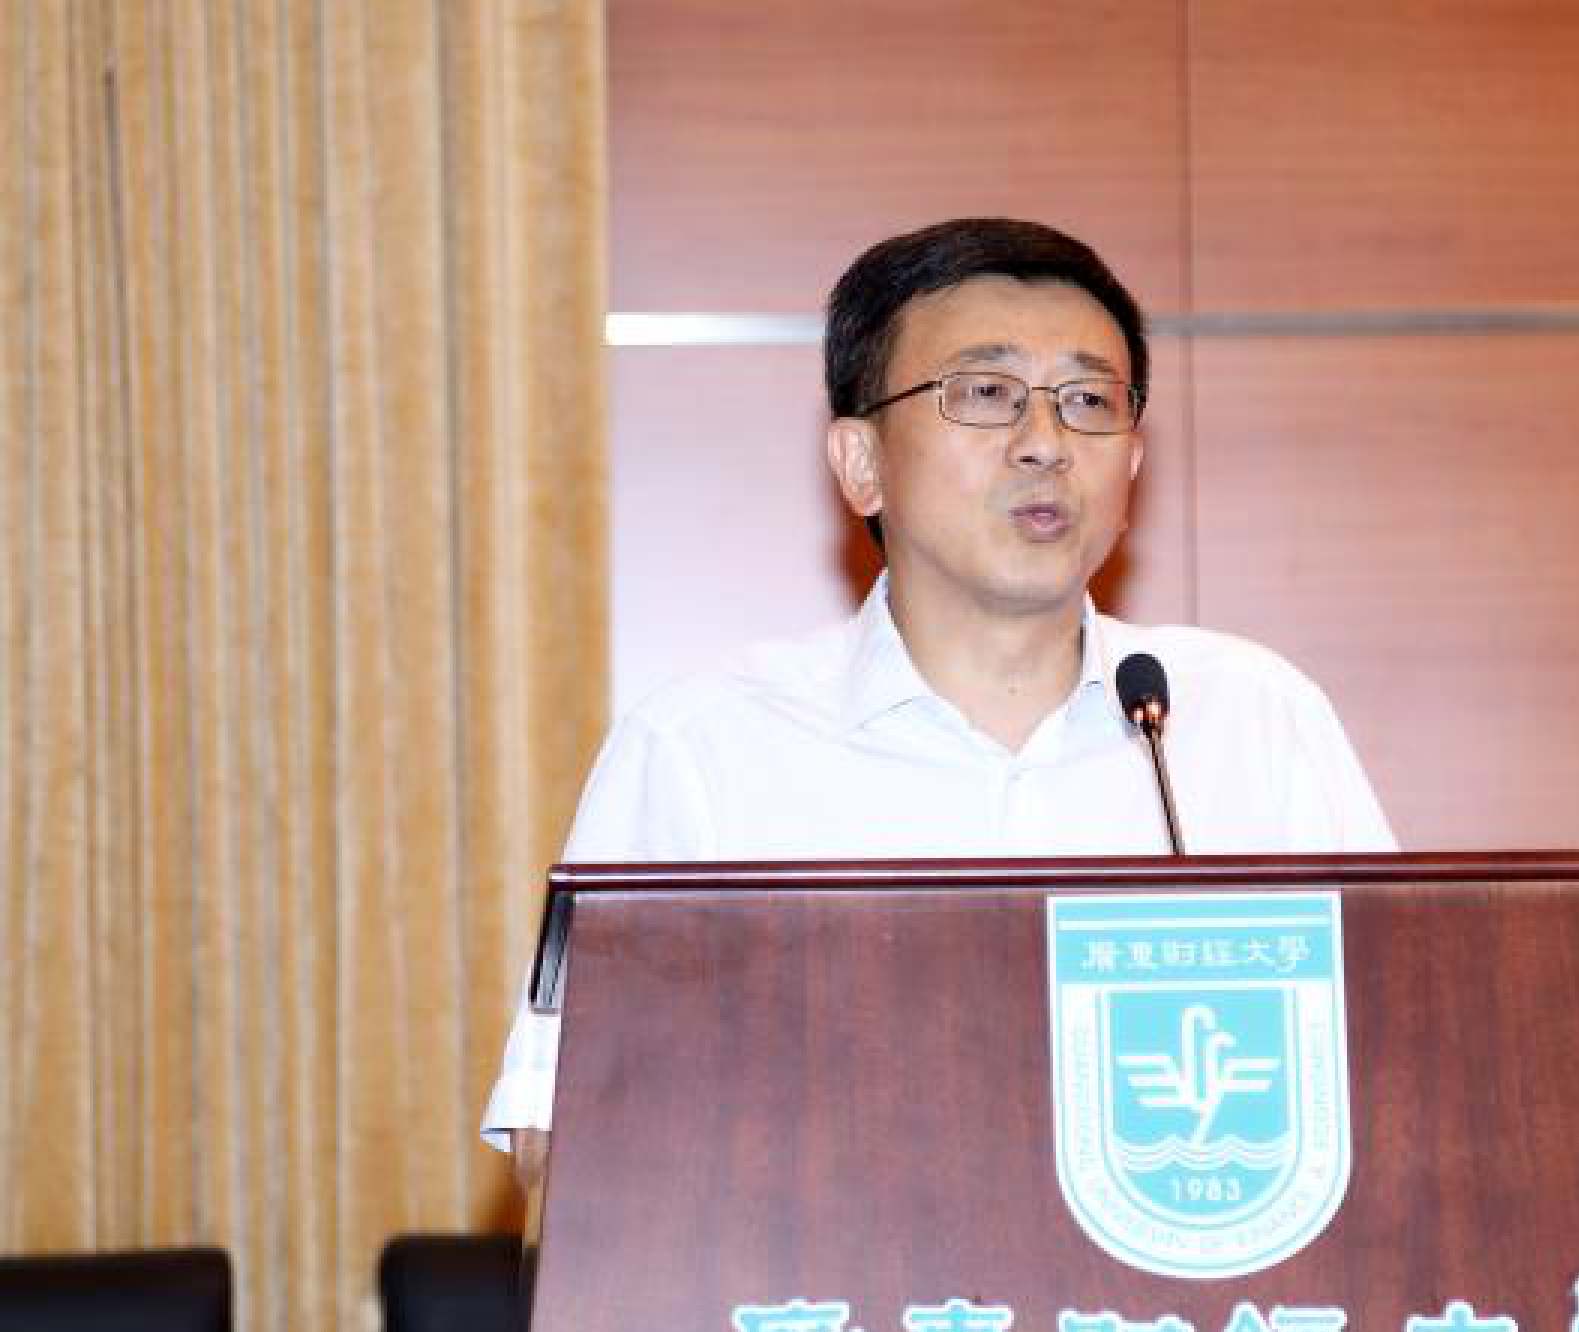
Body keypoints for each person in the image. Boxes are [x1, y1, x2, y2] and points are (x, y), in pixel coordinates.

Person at [482, 218, 1393, 1187]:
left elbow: (1401, 1065)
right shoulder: (705, 750)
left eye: (1088, 401)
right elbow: (564, 1142)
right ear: (862, 463)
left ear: (1131, 462)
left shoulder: (1251, 722)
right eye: (986, 394)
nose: (1045, 444)